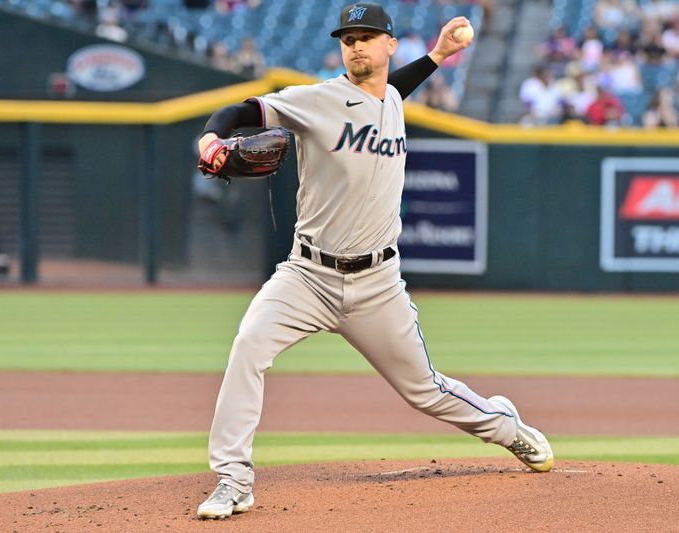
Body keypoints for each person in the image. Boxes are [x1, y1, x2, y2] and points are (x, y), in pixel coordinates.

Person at [194, 2, 553, 520]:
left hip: (378, 284)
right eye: (348, 38)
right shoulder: (315, 100)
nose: (356, 45)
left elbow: (392, 89)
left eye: (366, 37)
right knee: (248, 346)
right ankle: (233, 479)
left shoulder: (391, 99)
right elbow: (240, 113)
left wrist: (437, 55)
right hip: (307, 275)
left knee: (425, 391)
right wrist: (210, 136)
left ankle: (506, 427)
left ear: (389, 45)